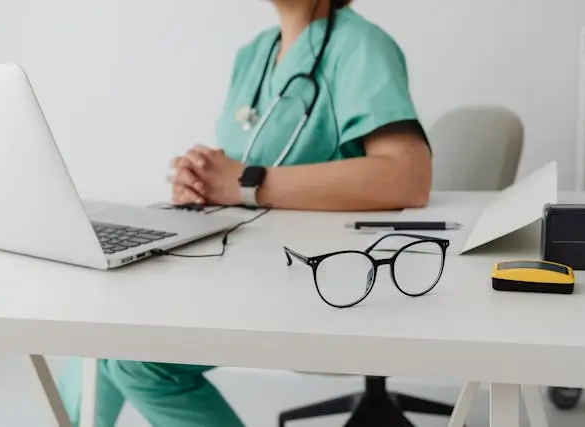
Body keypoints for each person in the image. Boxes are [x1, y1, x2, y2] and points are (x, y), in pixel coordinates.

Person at [58, 0, 432, 426]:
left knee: (138, 360)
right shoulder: (255, 53)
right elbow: (249, 167)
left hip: (323, 278)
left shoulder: (362, 45)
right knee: (108, 325)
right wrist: (204, 183)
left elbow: (407, 178)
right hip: (252, 262)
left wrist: (243, 182)